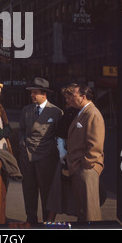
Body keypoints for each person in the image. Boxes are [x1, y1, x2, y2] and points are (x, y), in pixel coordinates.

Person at [18, 77, 63, 223]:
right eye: (31, 93)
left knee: (46, 191)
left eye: (35, 93)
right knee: (29, 190)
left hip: (46, 157)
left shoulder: (55, 112)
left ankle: (46, 221)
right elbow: (21, 130)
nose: (32, 95)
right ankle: (31, 219)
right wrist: (22, 145)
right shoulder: (26, 110)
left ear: (44, 94)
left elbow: (60, 135)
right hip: (28, 156)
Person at [65, 83, 105, 221]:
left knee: (90, 211)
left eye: (73, 95)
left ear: (83, 97)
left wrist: (84, 165)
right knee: (82, 210)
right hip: (79, 168)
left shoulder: (93, 113)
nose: (71, 98)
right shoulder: (83, 113)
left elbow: (95, 146)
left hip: (86, 169)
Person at [46, 84, 79, 221]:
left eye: (68, 97)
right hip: (65, 156)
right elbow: (60, 132)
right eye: (65, 98)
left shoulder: (82, 112)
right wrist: (62, 150)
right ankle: (49, 223)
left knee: (78, 195)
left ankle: (82, 224)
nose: (66, 101)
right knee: (56, 192)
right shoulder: (68, 112)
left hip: (77, 157)